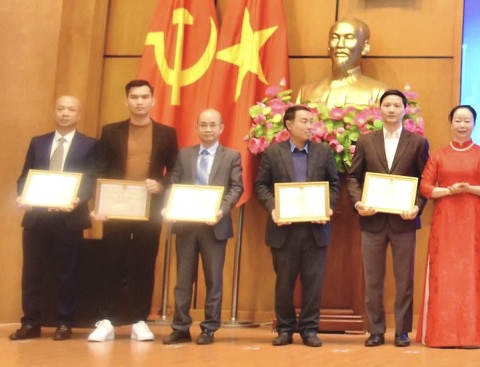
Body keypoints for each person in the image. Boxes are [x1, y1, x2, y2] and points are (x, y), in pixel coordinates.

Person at [90, 79, 179, 342]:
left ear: (153, 100)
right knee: (111, 263)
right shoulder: (110, 131)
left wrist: (161, 184)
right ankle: (106, 320)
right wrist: (99, 205)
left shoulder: (166, 133)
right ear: (126, 101)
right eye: (134, 97)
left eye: (144, 97)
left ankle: (140, 320)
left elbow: (176, 170)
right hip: (116, 208)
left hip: (149, 209)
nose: (139, 102)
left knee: (144, 263)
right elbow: (100, 170)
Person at [346, 89, 430, 348]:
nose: (392, 110)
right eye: (387, 105)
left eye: (396, 105)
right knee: (372, 280)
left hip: (404, 221)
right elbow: (353, 177)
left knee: (405, 280)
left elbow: (424, 180)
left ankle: (402, 331)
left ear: (405, 110)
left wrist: (417, 207)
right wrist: (358, 202)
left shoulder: (418, 143)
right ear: (379, 109)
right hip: (371, 220)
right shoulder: (365, 141)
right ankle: (375, 330)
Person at [11, 95, 99, 341]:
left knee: (67, 272)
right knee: (31, 274)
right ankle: (30, 323)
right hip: (36, 217)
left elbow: (91, 179)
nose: (65, 113)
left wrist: (77, 199)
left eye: (71, 109)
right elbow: (25, 175)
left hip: (69, 217)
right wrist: (22, 195)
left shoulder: (90, 145)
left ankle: (64, 322)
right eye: (61, 108)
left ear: (79, 115)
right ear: (54, 112)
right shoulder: (38, 142)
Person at [254, 104, 340, 348]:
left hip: (315, 228)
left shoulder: (323, 152)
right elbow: (261, 185)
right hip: (284, 229)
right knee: (284, 283)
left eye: (311, 121)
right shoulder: (273, 153)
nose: (309, 126)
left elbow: (334, 184)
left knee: (314, 283)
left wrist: (327, 207)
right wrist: (274, 209)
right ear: (289, 125)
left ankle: (310, 329)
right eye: (304, 121)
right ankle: (284, 329)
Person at [162, 109, 244, 345]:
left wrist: (221, 210)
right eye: (204, 125)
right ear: (196, 127)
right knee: (183, 280)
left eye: (213, 125)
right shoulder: (184, 154)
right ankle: (180, 327)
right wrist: (170, 206)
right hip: (186, 225)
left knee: (213, 280)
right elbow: (173, 183)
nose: (208, 129)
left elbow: (236, 188)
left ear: (221, 128)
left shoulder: (231, 156)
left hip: (214, 225)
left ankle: (209, 328)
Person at [418, 105, 480, 347]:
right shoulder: (439, 155)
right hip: (445, 219)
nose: (462, 125)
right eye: (458, 121)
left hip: (473, 221)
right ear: (450, 123)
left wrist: (469, 188)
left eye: (467, 121)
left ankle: (472, 334)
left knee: (473, 273)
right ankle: (440, 334)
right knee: (443, 273)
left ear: (474, 124)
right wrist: (447, 191)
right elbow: (425, 186)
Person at [296, 17, 390, 107]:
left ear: (365, 47)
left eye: (349, 38)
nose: (340, 44)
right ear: (328, 46)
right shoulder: (306, 92)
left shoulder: (379, 92)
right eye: (335, 38)